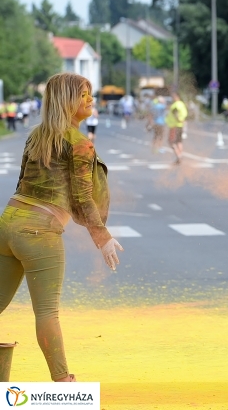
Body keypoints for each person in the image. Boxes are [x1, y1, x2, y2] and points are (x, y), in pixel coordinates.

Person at [0, 73, 123, 382]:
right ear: (69, 101)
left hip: (7, 225)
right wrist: (102, 237)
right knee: (47, 312)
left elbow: (21, 184)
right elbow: (82, 199)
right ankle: (64, 383)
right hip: (39, 232)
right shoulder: (80, 145)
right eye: (84, 95)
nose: (91, 100)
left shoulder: (36, 135)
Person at [166, 91, 188, 165]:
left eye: (173, 96)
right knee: (179, 142)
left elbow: (175, 112)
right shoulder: (182, 104)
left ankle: (178, 156)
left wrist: (177, 118)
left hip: (174, 126)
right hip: (180, 125)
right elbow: (185, 114)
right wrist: (181, 120)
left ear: (176, 96)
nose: (172, 98)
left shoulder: (176, 105)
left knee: (171, 142)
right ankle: (180, 156)